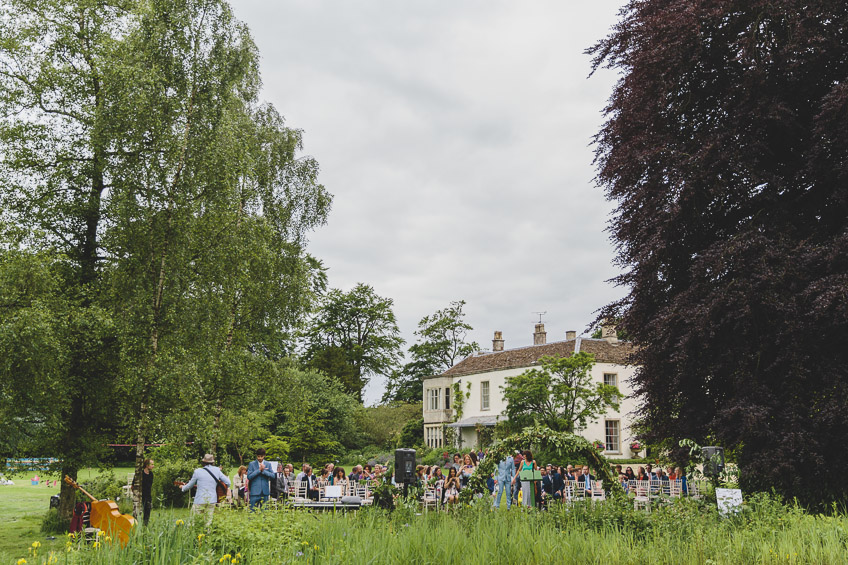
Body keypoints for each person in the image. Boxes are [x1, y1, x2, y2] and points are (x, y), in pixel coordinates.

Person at [180, 453, 230, 527]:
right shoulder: (217, 470)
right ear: (212, 462)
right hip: (212, 499)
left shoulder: (197, 471)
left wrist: (183, 488)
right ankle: (206, 536)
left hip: (199, 499)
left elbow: (190, 485)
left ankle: (193, 535)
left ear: (203, 462)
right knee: (208, 522)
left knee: (193, 521)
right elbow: (228, 482)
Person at [141, 458, 154, 526]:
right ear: (147, 465)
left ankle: (145, 527)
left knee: (147, 514)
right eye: (151, 464)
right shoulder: (140, 474)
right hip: (140, 496)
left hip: (148, 496)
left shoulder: (151, 474)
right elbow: (133, 486)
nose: (153, 466)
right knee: (139, 513)